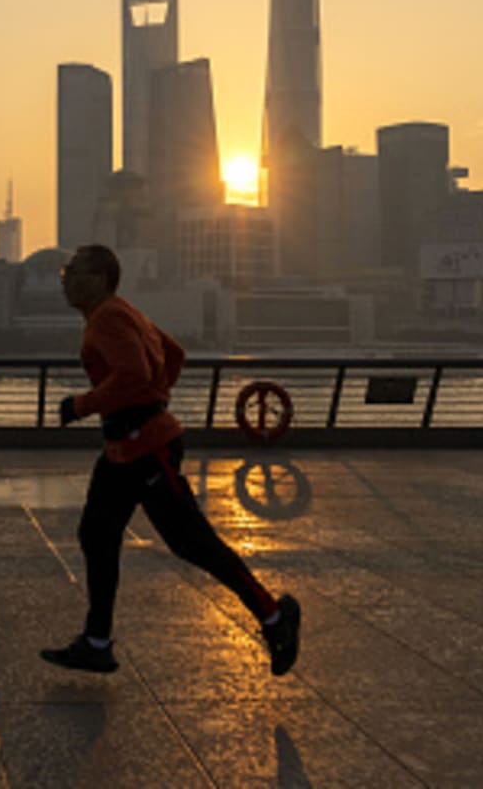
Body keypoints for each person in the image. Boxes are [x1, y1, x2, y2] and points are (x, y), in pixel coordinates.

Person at [39, 244, 300, 676]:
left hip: (145, 450)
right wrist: (154, 397)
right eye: (65, 272)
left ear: (101, 277)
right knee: (97, 533)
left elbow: (136, 374)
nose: (65, 279)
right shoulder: (124, 311)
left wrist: (84, 404)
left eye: (74, 271)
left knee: (192, 542)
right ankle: (96, 641)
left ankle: (275, 618)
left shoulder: (107, 317)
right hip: (125, 449)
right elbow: (173, 355)